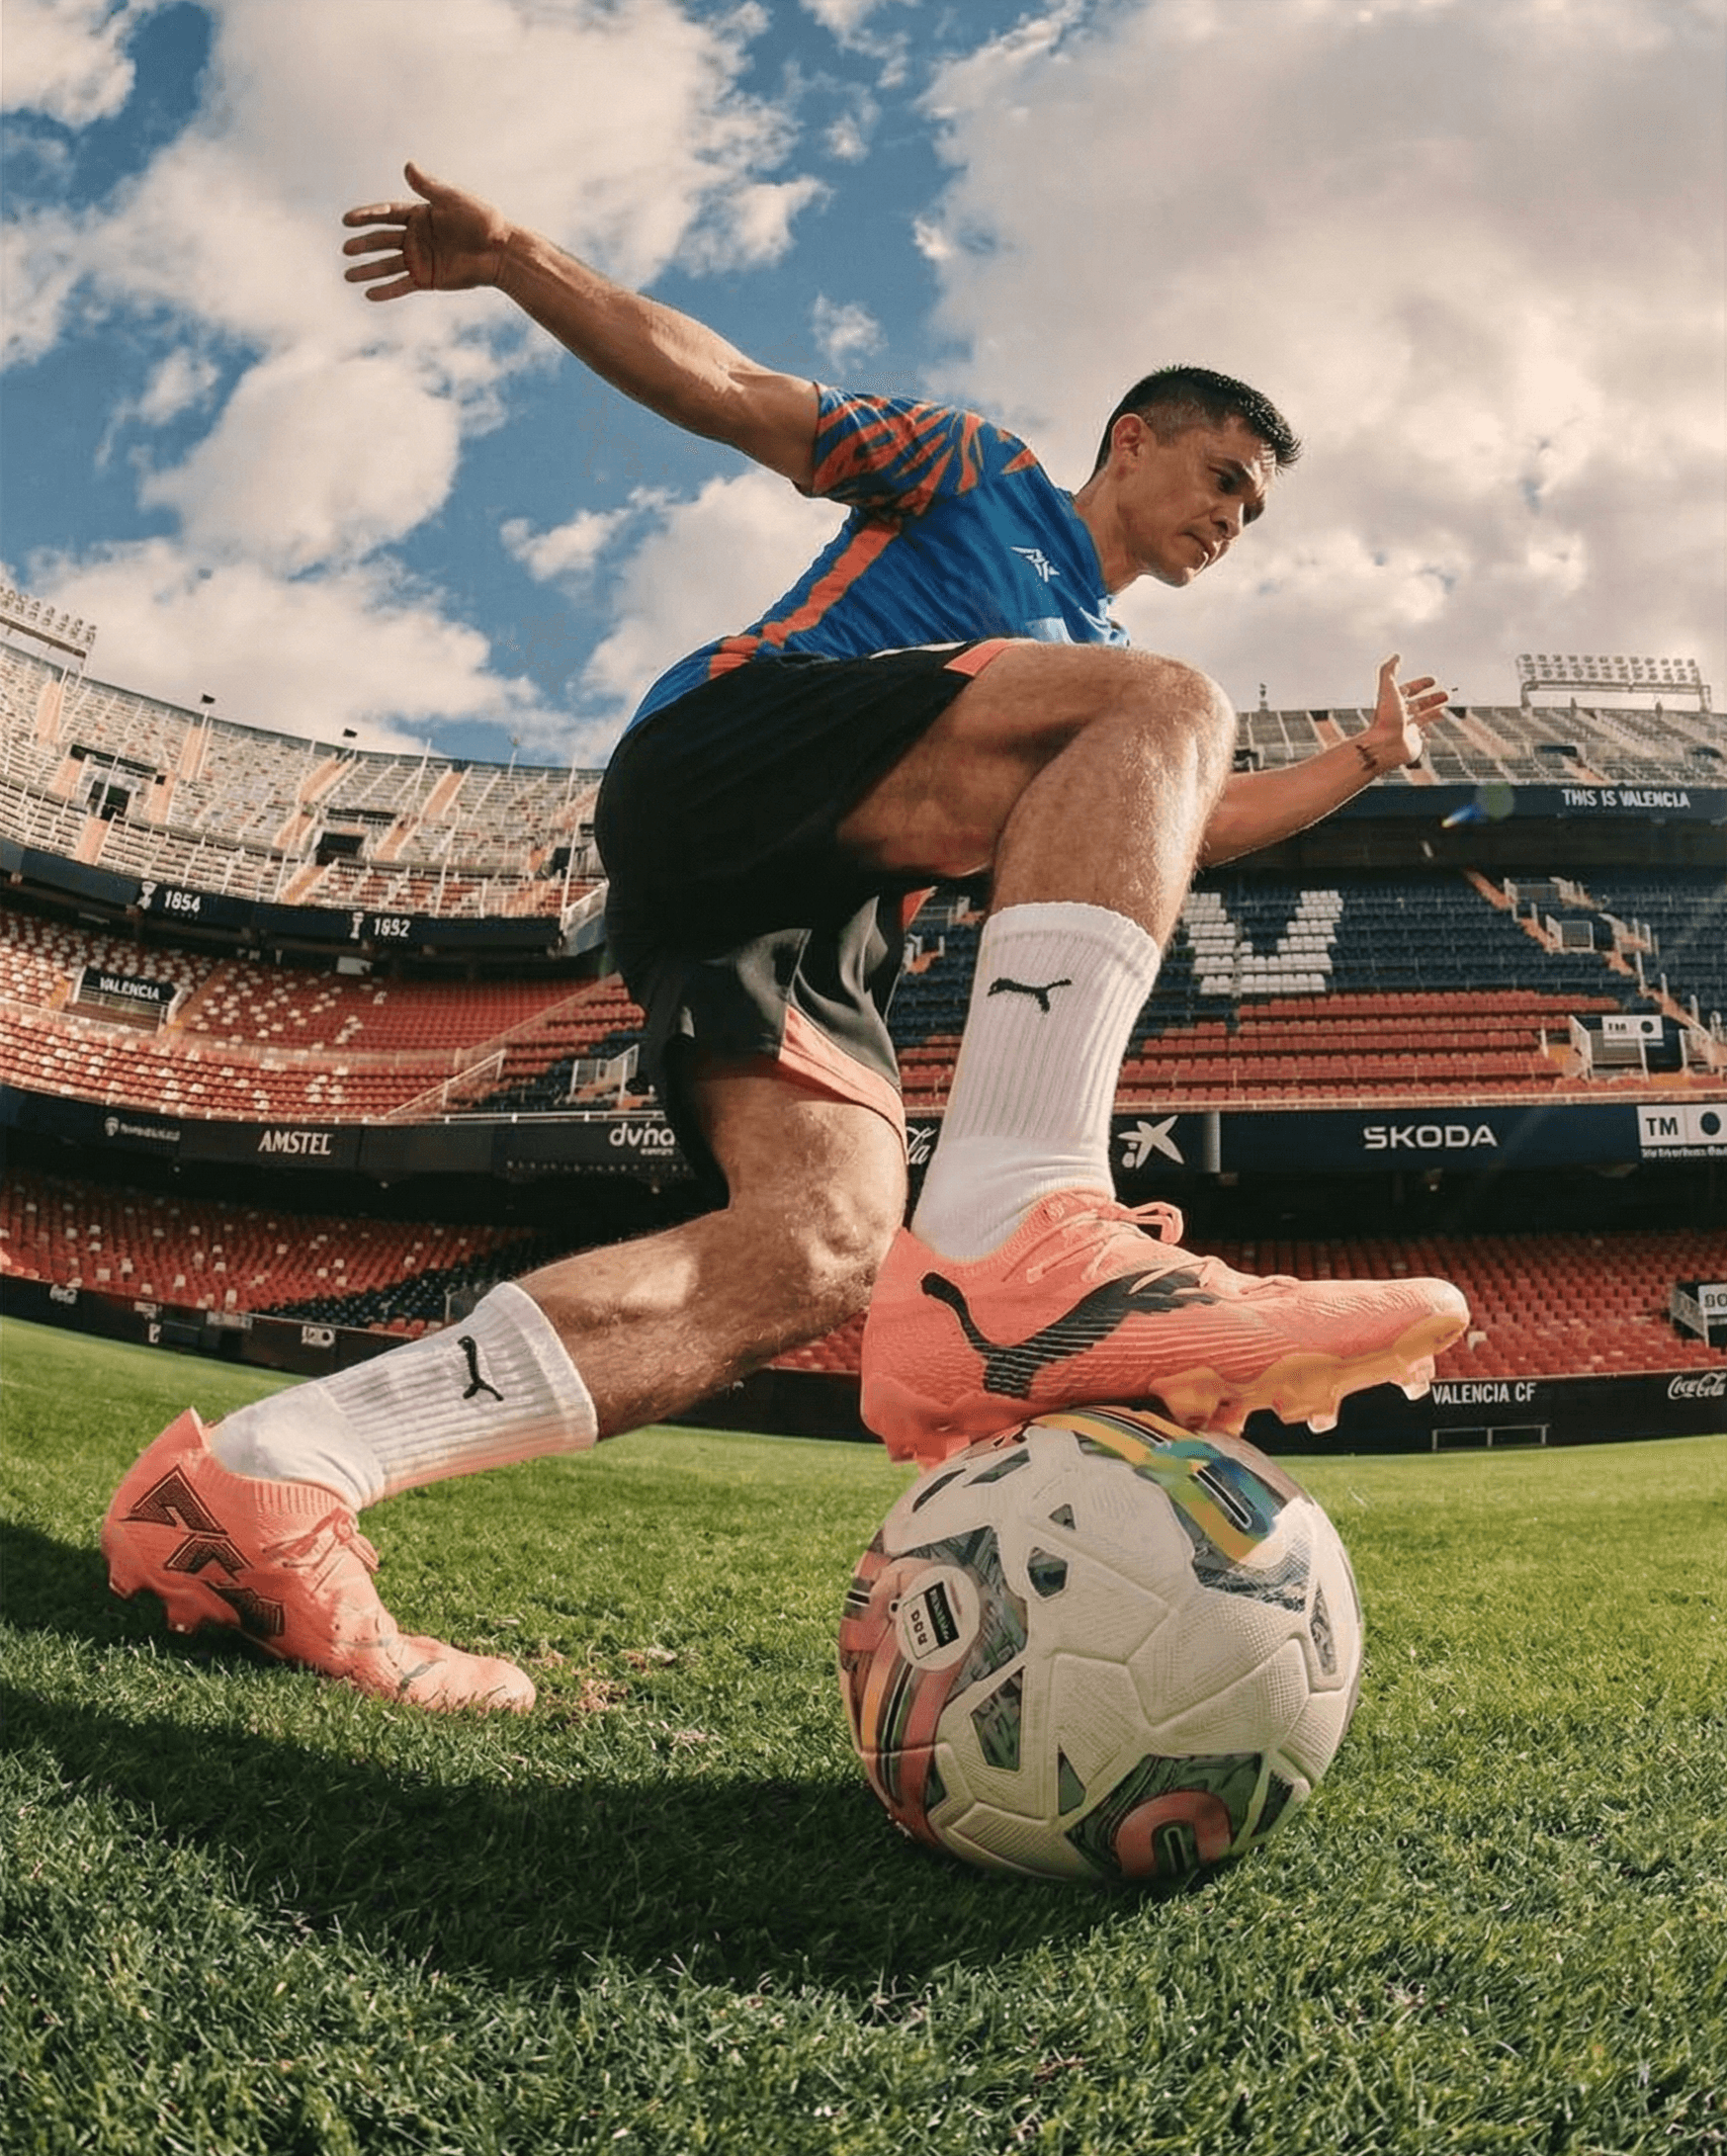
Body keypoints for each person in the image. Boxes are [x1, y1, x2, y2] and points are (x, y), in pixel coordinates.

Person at [101, 164, 1467, 1713]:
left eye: (1254, 507)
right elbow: (738, 391)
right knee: (1167, 702)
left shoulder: (1099, 688)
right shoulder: (980, 472)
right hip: (733, 759)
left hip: (810, 919)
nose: (1234, 517)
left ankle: (269, 1482)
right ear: (1132, 440)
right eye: (1222, 474)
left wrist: (1356, 762)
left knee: (815, 1251)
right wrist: (515, 258)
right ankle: (1026, 1230)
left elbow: (1182, 824)